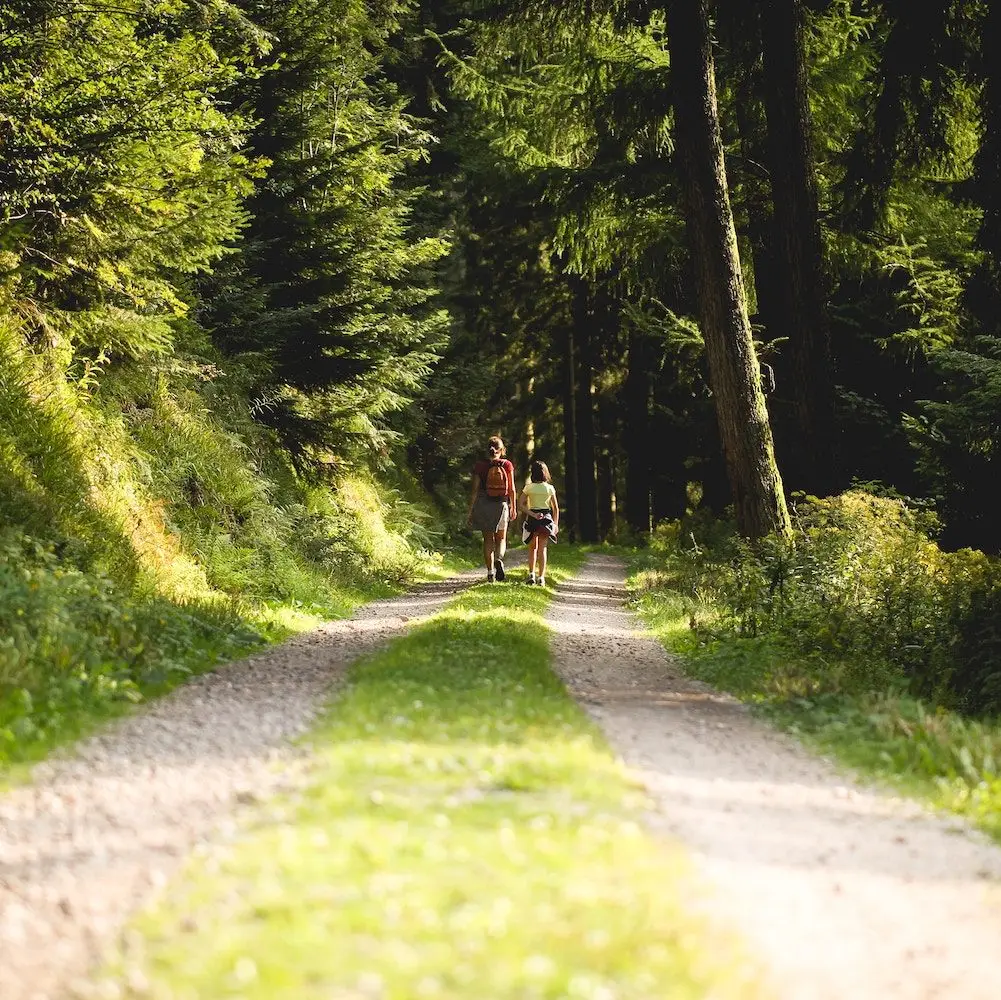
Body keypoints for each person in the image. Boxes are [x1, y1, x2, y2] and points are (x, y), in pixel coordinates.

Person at [466, 435, 517, 582]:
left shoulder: (480, 466)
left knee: (488, 540)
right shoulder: (507, 465)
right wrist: (513, 506)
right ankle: (499, 559)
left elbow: (474, 490)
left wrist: (470, 511)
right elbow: (512, 488)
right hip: (501, 504)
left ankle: (490, 573)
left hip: (483, 504)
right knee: (501, 538)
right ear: (502, 450)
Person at [520, 460, 559, 587]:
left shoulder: (528, 488)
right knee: (543, 549)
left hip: (532, 519)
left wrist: (532, 514)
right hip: (546, 519)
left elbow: (521, 504)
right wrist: (556, 524)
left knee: (532, 548)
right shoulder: (549, 488)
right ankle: (541, 577)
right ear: (545, 473)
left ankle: (531, 574)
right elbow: (555, 508)